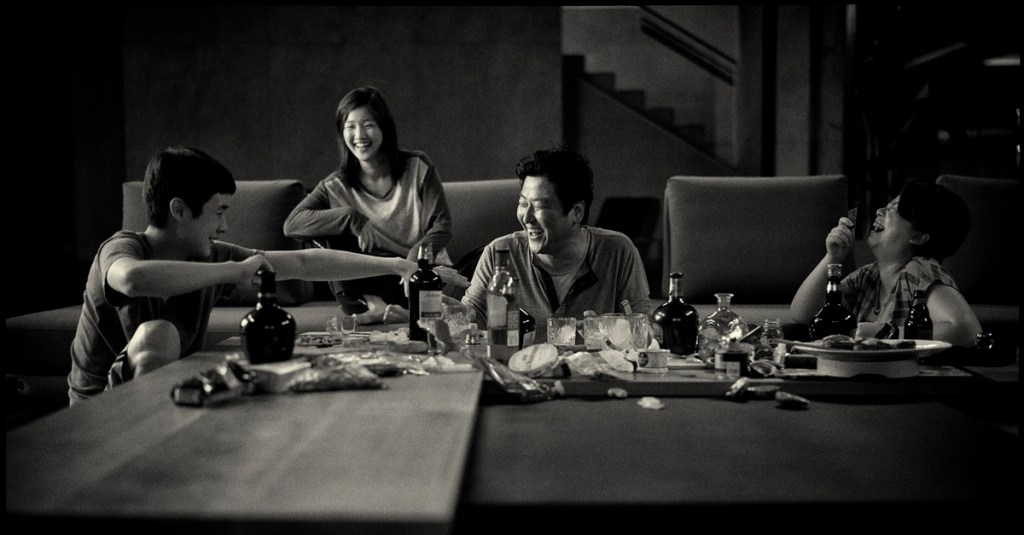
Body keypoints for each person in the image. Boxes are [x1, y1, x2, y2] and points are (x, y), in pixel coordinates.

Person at [68, 146, 467, 404]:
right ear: (179, 210)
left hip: (170, 396)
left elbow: (305, 263)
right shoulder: (122, 248)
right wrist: (233, 271)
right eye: (219, 212)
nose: (224, 226)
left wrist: (397, 265)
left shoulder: (210, 256)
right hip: (101, 408)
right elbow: (132, 279)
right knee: (159, 333)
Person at [283, 86, 453, 324]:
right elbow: (292, 225)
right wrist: (352, 217)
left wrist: (413, 260)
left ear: (384, 127)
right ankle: (377, 307)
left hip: (418, 276)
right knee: (327, 231)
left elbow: (442, 225)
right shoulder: (335, 185)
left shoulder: (417, 166)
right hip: (370, 282)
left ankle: (407, 313)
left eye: (368, 125)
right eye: (350, 126)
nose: (359, 135)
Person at [460, 146, 651, 340]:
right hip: (518, 360)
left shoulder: (618, 252)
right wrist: (451, 314)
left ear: (577, 212)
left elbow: (642, 333)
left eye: (540, 206)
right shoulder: (500, 253)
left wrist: (605, 333)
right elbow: (470, 321)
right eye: (523, 203)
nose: (527, 217)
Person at [790, 179, 981, 346]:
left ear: (918, 236)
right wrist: (832, 257)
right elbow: (804, 313)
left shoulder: (920, 270)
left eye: (893, 210)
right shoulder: (869, 276)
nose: (879, 211)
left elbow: (968, 331)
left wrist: (884, 333)